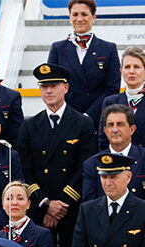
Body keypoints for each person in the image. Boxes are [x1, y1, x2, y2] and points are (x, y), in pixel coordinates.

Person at [17, 62, 97, 247]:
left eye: (53, 85)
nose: (49, 90)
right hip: (40, 211)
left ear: (66, 87)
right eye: (44, 86)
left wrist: (60, 206)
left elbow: (85, 169)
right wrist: (46, 204)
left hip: (72, 209)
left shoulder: (83, 123)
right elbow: (25, 171)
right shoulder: (29, 126)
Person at [48, 0, 120, 128]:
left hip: (98, 120)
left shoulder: (108, 49)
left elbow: (112, 89)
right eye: (75, 14)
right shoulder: (58, 49)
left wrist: (88, 116)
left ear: (93, 17)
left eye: (84, 14)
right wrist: (69, 115)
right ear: (69, 17)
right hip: (66, 119)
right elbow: (51, 86)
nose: (79, 19)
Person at [85, 104, 145, 201]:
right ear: (105, 131)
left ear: (132, 129)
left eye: (120, 124)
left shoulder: (143, 158)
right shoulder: (92, 164)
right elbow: (90, 207)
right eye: (110, 125)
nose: (115, 130)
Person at [99, 47, 145, 149]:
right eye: (127, 67)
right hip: (118, 163)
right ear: (121, 71)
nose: (131, 71)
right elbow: (104, 141)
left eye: (137, 67)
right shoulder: (110, 102)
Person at [0, 182, 54, 247]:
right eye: (9, 198)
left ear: (28, 204)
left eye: (20, 198)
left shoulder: (42, 235)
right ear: (3, 205)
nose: (14, 203)